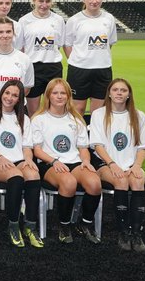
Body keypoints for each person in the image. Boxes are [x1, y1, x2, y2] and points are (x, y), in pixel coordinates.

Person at [32, 78, 102, 244]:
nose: (59, 96)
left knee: (94, 183)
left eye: (63, 93)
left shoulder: (76, 119)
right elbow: (37, 150)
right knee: (69, 182)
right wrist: (54, 161)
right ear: (48, 95)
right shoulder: (39, 119)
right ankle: (64, 226)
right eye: (55, 93)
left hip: (74, 161)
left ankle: (85, 224)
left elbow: (83, 147)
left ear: (68, 96)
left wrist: (86, 161)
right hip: (49, 163)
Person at [89, 78, 145, 252]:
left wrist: (137, 166)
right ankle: (123, 232)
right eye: (115, 90)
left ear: (129, 94)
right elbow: (97, 145)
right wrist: (112, 164)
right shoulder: (99, 114)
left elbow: (143, 146)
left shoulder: (139, 115)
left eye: (123, 90)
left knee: (138, 181)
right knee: (122, 182)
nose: (119, 93)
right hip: (106, 164)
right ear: (109, 93)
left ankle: (136, 233)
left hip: (132, 164)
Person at [0, 80, 43, 248]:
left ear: (20, 99)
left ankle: (30, 225)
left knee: (33, 174)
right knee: (16, 176)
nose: (9, 97)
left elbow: (26, 147)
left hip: (18, 160)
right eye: (7, 93)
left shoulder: (24, 118)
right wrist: (1, 158)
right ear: (1, 93)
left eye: (15, 95)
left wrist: (28, 160)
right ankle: (13, 225)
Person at [64, 0, 119, 115]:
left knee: (99, 112)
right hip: (79, 70)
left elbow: (109, 43)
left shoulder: (109, 19)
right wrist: (78, 60)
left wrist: (98, 57)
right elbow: (67, 44)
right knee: (78, 109)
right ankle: (77, 135)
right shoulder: (74, 20)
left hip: (103, 69)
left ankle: (96, 136)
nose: (94, 1)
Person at [17, 0, 66, 114]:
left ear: (52, 2)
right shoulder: (24, 21)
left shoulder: (58, 20)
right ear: (34, 1)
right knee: (34, 111)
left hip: (53, 67)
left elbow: (59, 44)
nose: (44, 5)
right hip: (32, 68)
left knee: (55, 109)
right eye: (41, 1)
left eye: (47, 1)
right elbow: (20, 48)